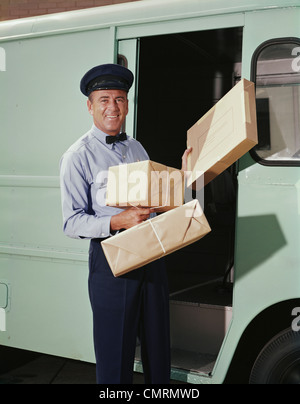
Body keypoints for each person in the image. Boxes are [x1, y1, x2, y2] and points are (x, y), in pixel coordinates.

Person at [60, 63, 191, 384]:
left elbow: (159, 200)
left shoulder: (136, 148)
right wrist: (119, 219)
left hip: (151, 253)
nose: (112, 107)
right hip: (111, 259)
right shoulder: (77, 156)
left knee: (158, 344)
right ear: (90, 106)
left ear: (127, 105)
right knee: (115, 349)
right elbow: (72, 222)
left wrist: (185, 176)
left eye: (119, 99)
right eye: (104, 99)